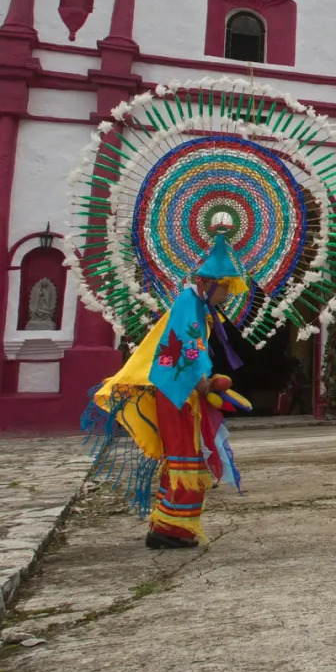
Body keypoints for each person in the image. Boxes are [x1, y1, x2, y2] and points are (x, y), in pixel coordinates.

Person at [84, 231, 253, 548]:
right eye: (225, 288)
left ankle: (168, 524)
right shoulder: (190, 303)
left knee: (182, 458)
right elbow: (187, 345)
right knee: (185, 459)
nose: (228, 296)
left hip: (179, 392)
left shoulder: (195, 305)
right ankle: (170, 530)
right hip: (178, 394)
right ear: (208, 283)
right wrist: (202, 380)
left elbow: (189, 347)